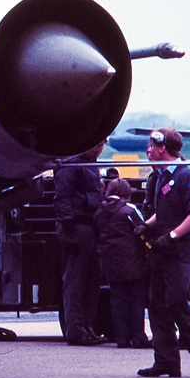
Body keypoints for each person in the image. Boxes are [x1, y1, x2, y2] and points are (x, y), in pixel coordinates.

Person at [138, 128, 190, 377]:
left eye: (151, 145)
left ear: (162, 148)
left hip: (180, 249)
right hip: (162, 248)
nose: (148, 150)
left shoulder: (186, 175)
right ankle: (166, 360)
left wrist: (172, 235)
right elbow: (166, 210)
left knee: (177, 299)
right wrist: (146, 225)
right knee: (156, 304)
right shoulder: (160, 177)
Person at [54, 141, 106, 345]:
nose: (99, 146)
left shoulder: (91, 164)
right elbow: (62, 197)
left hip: (91, 223)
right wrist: (67, 228)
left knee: (93, 279)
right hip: (76, 224)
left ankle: (87, 327)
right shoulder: (71, 164)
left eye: (103, 143)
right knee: (75, 280)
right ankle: (75, 330)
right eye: (96, 142)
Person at [94, 178, 150, 348]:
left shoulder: (98, 213)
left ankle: (122, 338)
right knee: (136, 299)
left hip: (111, 264)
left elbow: (97, 236)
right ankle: (138, 337)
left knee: (118, 300)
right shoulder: (129, 210)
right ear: (125, 193)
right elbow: (143, 229)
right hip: (133, 263)